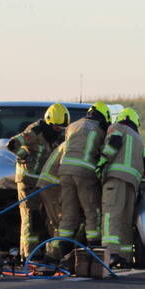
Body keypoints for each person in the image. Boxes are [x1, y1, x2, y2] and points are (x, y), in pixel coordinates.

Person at [6, 103, 69, 260]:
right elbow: (12, 144)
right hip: (28, 182)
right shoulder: (35, 131)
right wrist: (25, 156)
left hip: (45, 185)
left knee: (51, 219)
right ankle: (29, 255)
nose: (59, 131)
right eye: (56, 128)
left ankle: (52, 254)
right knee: (31, 218)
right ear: (49, 123)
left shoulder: (60, 136)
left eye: (62, 128)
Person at [56, 101, 111, 250]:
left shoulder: (72, 126)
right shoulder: (100, 128)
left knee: (68, 211)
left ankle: (63, 250)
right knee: (92, 211)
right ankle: (94, 249)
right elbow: (104, 152)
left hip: (65, 171)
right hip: (85, 172)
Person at [98, 108, 144, 266]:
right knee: (125, 219)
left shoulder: (117, 128)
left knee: (111, 215)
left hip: (115, 179)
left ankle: (110, 253)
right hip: (132, 183)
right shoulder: (138, 137)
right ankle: (124, 257)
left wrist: (101, 163)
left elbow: (113, 143)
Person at [35, 141, 65, 262]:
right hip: (52, 185)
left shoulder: (65, 144)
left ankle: (53, 251)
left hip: (49, 184)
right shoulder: (73, 145)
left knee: (53, 220)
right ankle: (54, 254)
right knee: (59, 220)